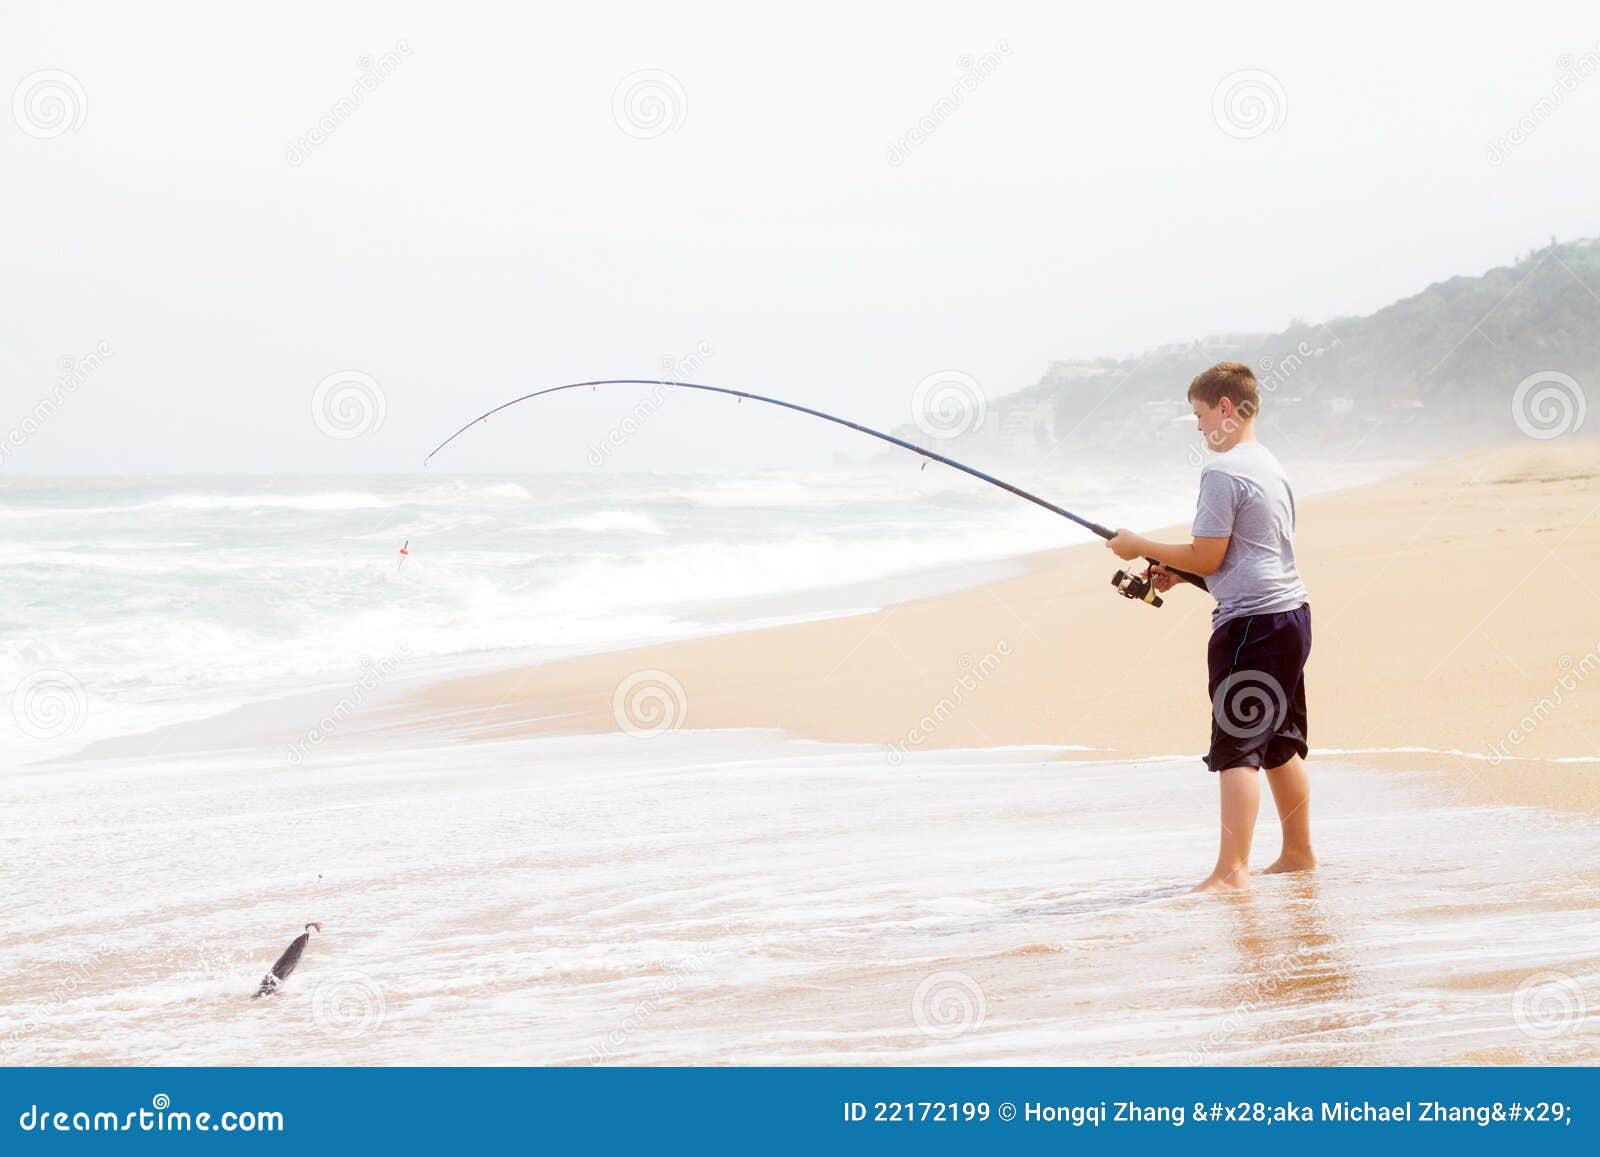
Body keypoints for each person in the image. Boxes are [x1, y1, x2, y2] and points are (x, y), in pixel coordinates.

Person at [1106, 361, 1315, 893]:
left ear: (1225, 407)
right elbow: (1248, 555)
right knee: (1279, 742)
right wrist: (1180, 575)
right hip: (1290, 616)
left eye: (1199, 414)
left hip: (1251, 626)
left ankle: (1231, 872)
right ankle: (1298, 853)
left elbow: (1208, 552)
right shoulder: (1268, 463)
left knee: (1238, 746)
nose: (1198, 427)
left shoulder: (1221, 473)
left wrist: (1140, 545)